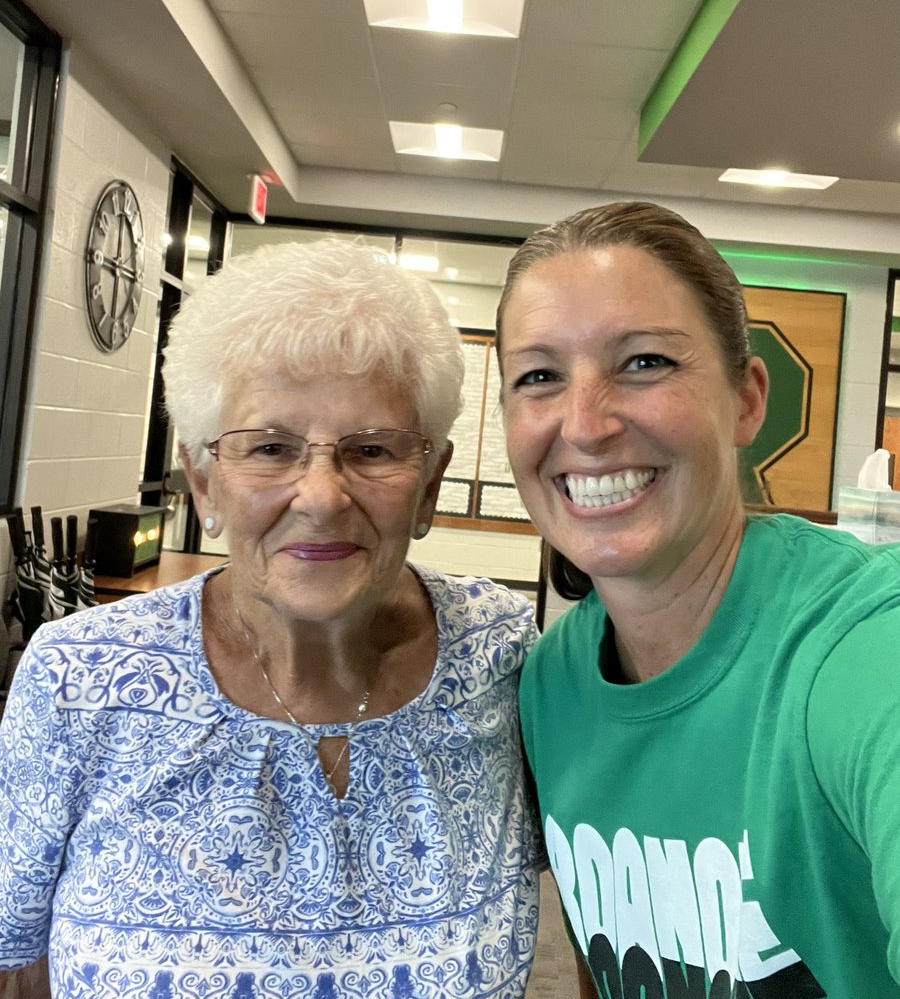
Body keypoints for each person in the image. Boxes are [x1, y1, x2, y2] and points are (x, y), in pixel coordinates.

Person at [0, 239, 544, 997]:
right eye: (269, 448)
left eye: (371, 449)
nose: (320, 497)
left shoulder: (501, 653)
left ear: (428, 485)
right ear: (204, 483)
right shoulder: (79, 678)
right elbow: (15, 961)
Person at [495, 200, 900, 998]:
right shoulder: (552, 682)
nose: (585, 425)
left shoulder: (860, 649)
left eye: (644, 362)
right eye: (539, 377)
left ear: (747, 399)